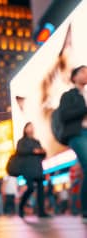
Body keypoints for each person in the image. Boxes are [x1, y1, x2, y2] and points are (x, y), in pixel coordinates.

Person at [58, 65, 87, 220]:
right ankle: (85, 210)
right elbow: (64, 115)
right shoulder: (69, 95)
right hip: (78, 134)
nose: (86, 74)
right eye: (83, 71)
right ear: (74, 76)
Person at [16, 122, 50, 218]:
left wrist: (43, 152)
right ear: (25, 129)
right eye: (29, 127)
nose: (31, 129)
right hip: (27, 169)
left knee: (40, 190)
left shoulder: (36, 141)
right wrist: (33, 151)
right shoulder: (21, 141)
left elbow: (43, 155)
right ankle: (21, 207)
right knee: (30, 188)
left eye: (32, 127)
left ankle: (41, 212)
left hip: (38, 168)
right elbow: (20, 151)